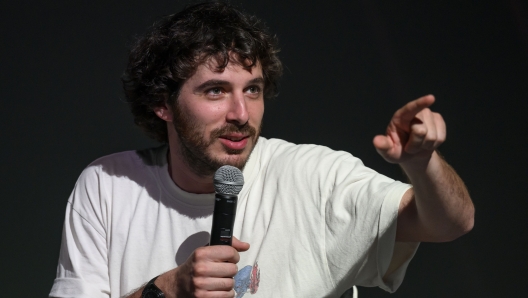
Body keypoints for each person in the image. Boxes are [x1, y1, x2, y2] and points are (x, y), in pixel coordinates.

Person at [49, 2, 474, 298]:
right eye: (216, 91)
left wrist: (422, 164)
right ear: (163, 103)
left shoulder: (312, 174)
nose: (241, 112)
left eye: (252, 90)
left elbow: (450, 223)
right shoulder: (107, 186)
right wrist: (167, 290)